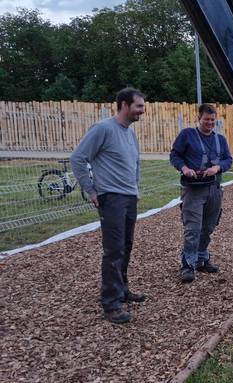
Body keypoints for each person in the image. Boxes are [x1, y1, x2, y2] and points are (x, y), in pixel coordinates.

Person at [70, 87, 146, 324]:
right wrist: (91, 190)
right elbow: (78, 158)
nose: (142, 112)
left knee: (126, 246)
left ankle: (122, 290)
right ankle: (111, 304)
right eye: (139, 107)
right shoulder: (103, 129)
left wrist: (135, 188)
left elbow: (135, 163)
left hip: (129, 198)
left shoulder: (130, 133)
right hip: (111, 199)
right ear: (124, 105)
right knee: (113, 250)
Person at [170, 103, 233, 283]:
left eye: (213, 120)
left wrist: (218, 167)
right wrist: (184, 168)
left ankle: (201, 259)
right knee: (193, 229)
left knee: (208, 227)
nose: (210, 123)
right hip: (193, 189)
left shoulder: (220, 140)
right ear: (199, 118)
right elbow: (175, 155)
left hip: (214, 188)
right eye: (206, 119)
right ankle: (188, 265)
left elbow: (229, 160)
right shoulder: (187, 135)